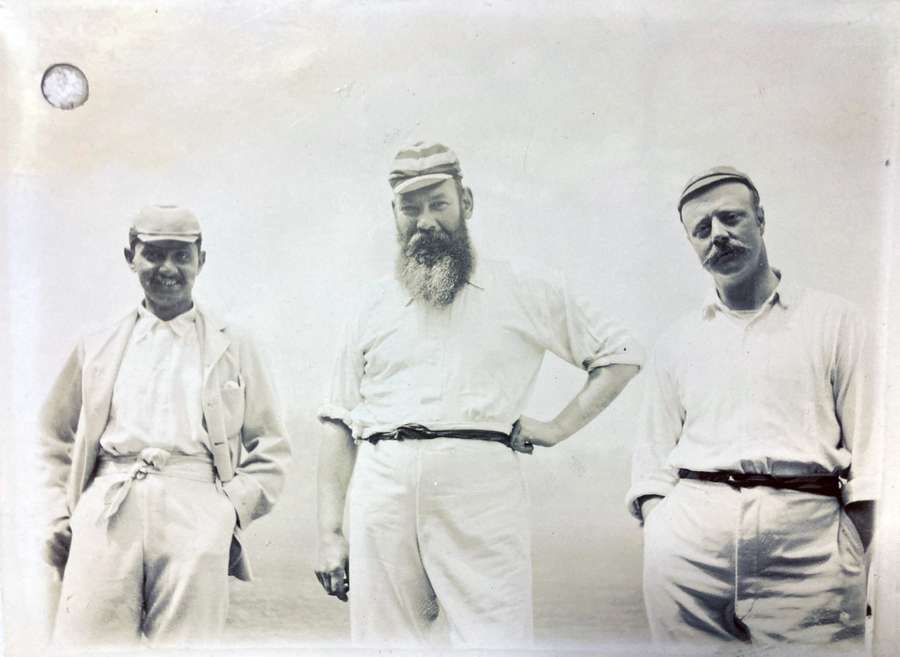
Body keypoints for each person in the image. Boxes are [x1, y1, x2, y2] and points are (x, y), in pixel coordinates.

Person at [314, 141, 643, 648]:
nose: (425, 221)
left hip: (480, 488)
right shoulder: (370, 303)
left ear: (466, 202)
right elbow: (338, 421)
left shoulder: (524, 287)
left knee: (496, 642)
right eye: (411, 208)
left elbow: (619, 354)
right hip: (381, 484)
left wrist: (556, 428)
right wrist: (330, 533)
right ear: (394, 215)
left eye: (438, 203)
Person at [627, 166, 881, 649]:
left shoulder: (836, 321)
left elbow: (874, 452)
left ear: (760, 219)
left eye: (730, 219)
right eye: (701, 229)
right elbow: (651, 457)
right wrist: (661, 533)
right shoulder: (678, 339)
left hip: (809, 553)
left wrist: (850, 546)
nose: (717, 236)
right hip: (689, 558)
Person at [40, 206, 292, 647]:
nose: (168, 269)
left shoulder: (235, 344)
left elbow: (270, 445)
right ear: (130, 257)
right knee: (85, 644)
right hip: (108, 502)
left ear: (201, 260)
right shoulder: (96, 342)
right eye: (154, 255)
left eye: (181, 256)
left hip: (196, 506)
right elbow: (50, 435)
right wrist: (58, 512)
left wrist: (228, 510)